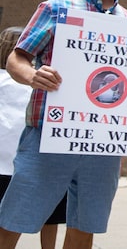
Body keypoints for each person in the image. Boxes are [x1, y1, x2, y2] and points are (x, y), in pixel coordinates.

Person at [0, 0, 127, 249]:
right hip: (48, 138)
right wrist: (34, 75)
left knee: (84, 225)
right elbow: (16, 58)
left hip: (103, 147)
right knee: (14, 219)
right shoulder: (55, 9)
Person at [0, 26, 68, 249]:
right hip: (34, 158)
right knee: (50, 216)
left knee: (9, 220)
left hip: (7, 161)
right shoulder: (41, 81)